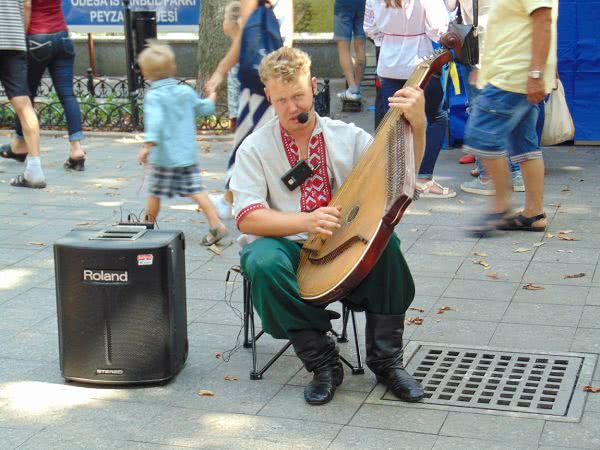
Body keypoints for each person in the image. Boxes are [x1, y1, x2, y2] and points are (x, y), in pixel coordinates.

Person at [230, 47, 426, 405]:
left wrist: (420, 123)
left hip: (344, 244)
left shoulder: (347, 137)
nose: (293, 108)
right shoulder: (254, 148)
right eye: (282, 100)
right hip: (285, 246)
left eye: (300, 96)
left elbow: (401, 174)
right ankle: (323, 362)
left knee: (388, 244)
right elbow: (247, 216)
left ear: (315, 87)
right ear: (268, 97)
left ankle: (387, 362)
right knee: (260, 261)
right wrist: (305, 220)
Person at [463, 0, 557, 235]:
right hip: (511, 74)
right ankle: (533, 213)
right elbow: (509, 28)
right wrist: (485, 67)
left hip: (515, 76)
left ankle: (500, 206)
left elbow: (543, 22)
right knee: (523, 143)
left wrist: (535, 74)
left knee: (481, 136)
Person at [205, 0, 293, 219]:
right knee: (272, 142)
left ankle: (228, 200)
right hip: (276, 79)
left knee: (246, 143)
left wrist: (219, 72)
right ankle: (274, 200)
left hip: (256, 84)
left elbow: (245, 37)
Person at [137, 43, 228, 246]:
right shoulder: (185, 92)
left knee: (154, 193)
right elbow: (205, 109)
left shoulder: (154, 96)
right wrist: (212, 95)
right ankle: (216, 224)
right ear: (173, 68)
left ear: (146, 73)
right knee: (196, 191)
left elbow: (156, 121)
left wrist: (147, 146)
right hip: (186, 157)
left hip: (164, 159)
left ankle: (146, 227)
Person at [364, 0, 456, 198]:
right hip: (420, 64)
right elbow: (438, 28)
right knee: (435, 118)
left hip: (388, 62)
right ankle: (422, 178)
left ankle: (392, 179)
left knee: (390, 122)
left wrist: (387, 41)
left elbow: (370, 29)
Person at [446, 0, 525, 196]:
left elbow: (449, 6)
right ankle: (515, 174)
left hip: (477, 47)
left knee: (480, 110)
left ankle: (488, 177)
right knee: (504, 108)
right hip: (505, 45)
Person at [0, 0, 85, 171]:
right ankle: (76, 149)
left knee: (24, 96)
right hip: (62, 35)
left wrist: (22, 35)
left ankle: (20, 144)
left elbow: (27, 5)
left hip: (37, 37)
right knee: (67, 94)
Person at [0, 0, 46, 188]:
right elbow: (27, 5)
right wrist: (20, 35)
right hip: (14, 41)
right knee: (24, 104)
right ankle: (35, 169)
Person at [334, 0, 367, 102]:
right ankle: (357, 87)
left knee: (343, 47)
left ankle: (352, 89)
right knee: (361, 47)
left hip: (344, 4)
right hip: (363, 3)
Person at [223, 1, 242, 129]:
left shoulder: (238, 54)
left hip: (242, 116)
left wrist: (234, 116)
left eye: (225, 18)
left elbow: (234, 87)